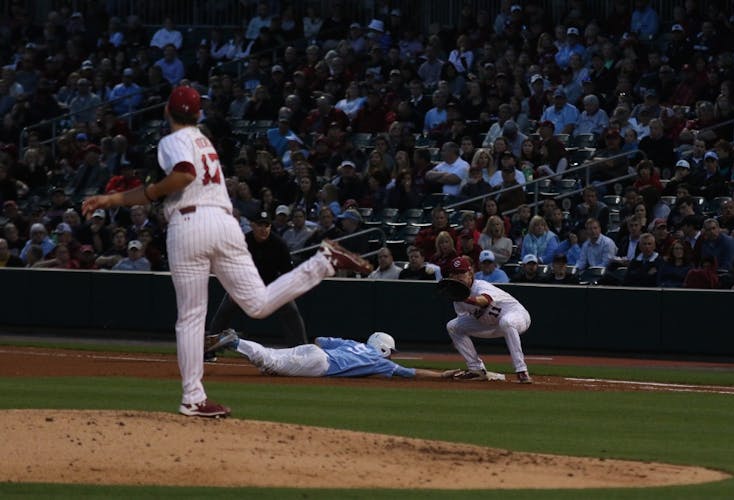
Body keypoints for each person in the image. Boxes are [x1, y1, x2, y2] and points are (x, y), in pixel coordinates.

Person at [82, 85, 372, 419]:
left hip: (190, 224)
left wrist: (150, 191)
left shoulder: (174, 139)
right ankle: (323, 262)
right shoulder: (204, 141)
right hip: (225, 223)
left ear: (167, 112)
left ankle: (194, 396)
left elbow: (184, 174)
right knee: (259, 303)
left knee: (191, 316)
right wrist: (112, 199)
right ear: (198, 113)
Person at [207, 210, 309, 352]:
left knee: (291, 310)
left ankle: (302, 351)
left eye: (267, 225)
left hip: (271, 285)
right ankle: (210, 349)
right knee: (224, 310)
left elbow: (288, 272)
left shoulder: (278, 244)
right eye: (260, 225)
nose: (264, 229)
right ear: (252, 225)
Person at [206, 330, 457, 379]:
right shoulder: (380, 362)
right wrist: (442, 375)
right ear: (383, 349)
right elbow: (411, 373)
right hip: (320, 364)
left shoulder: (353, 343)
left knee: (271, 361)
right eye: (390, 352)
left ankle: (236, 342)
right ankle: (236, 341)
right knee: (271, 361)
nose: (391, 356)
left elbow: (319, 339)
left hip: (314, 350)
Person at [443, 256, 532, 383]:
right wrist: (458, 339)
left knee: (506, 322)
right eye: (455, 273)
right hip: (490, 324)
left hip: (517, 316)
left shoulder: (480, 286)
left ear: (470, 273)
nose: (459, 277)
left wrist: (464, 298)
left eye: (462, 272)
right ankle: (476, 370)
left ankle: (521, 370)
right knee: (453, 326)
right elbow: (462, 319)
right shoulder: (458, 299)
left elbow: (484, 300)